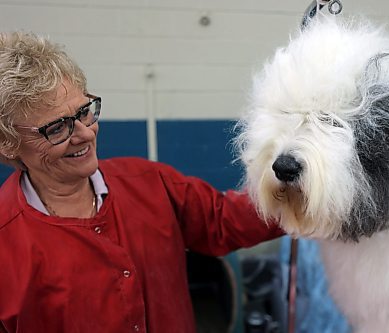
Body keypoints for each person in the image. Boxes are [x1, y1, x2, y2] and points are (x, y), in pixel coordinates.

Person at [0, 31, 283, 333]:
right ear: (8, 143)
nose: (84, 134)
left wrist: (312, 190)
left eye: (84, 112)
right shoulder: (7, 244)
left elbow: (226, 219)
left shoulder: (149, 184)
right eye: (57, 128)